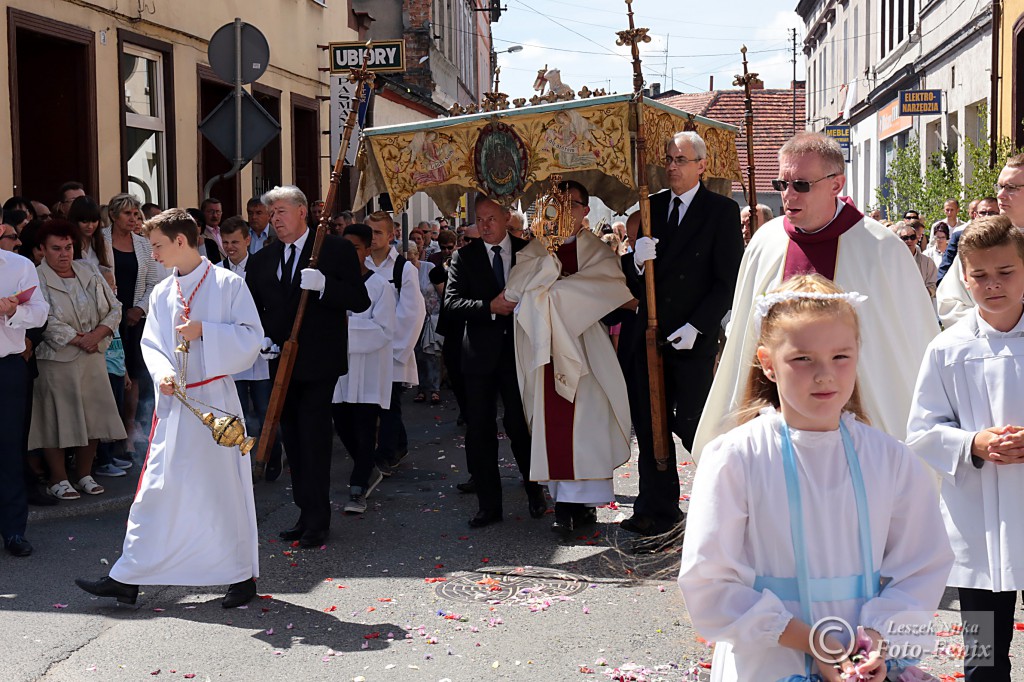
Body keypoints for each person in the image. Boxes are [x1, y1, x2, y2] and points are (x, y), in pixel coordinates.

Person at [679, 274, 953, 682]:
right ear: (769, 364)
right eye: (803, 359)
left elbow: (922, 565)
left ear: (858, 355)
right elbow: (710, 582)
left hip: (865, 664)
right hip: (769, 662)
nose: (825, 375)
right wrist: (812, 641)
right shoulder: (736, 458)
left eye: (840, 357)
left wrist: (875, 639)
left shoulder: (890, 459)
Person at [694, 131, 939, 458]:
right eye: (782, 185)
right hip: (775, 416)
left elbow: (913, 342)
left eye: (801, 185)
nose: (788, 196)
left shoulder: (881, 248)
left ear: (836, 184)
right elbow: (744, 338)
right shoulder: (765, 243)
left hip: (860, 426)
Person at [75, 208, 263, 608]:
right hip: (176, 405)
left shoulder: (228, 284)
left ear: (181, 242)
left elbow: (252, 339)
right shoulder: (162, 292)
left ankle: (240, 576)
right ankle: (129, 577)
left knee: (221, 490)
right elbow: (153, 344)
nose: (153, 253)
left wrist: (206, 333)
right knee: (156, 489)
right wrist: (161, 373)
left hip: (215, 404)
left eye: (157, 245)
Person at [907, 215, 1024, 681]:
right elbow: (921, 429)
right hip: (976, 531)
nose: (992, 285)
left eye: (1006, 272)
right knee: (982, 656)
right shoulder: (946, 348)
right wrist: (972, 442)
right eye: (979, 275)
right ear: (964, 277)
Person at [620, 130, 744, 542]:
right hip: (650, 333)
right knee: (650, 421)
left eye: (680, 159)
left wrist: (699, 327)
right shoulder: (650, 207)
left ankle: (725, 500)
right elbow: (638, 287)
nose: (671, 166)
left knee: (692, 421)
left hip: (692, 336)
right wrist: (636, 264)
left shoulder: (721, 211)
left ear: (701, 165)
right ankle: (656, 510)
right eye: (669, 159)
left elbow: (727, 280)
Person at [505, 180, 634, 537]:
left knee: (586, 427)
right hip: (546, 348)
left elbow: (610, 288)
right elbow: (519, 289)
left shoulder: (597, 250)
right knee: (554, 427)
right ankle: (563, 506)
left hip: (586, 349)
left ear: (585, 211)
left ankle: (585, 505)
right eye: (554, 203)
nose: (561, 210)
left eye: (570, 204)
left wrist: (556, 292)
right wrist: (549, 273)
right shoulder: (534, 248)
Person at [246, 186, 370, 548]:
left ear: (304, 212)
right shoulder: (262, 260)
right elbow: (255, 312)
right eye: (271, 214)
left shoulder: (334, 250)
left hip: (319, 361)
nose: (276, 220)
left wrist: (325, 285)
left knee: (314, 437)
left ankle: (318, 519)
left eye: (282, 211)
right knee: (294, 441)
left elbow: (359, 300)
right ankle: (304, 512)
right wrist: (262, 340)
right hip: (280, 364)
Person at [444, 193, 546, 527]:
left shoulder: (527, 252)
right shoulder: (464, 257)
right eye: (480, 220)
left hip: (519, 353)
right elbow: (452, 304)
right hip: (479, 358)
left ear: (506, 219)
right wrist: (488, 307)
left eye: (491, 219)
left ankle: (535, 493)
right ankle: (489, 505)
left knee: (521, 426)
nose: (485, 226)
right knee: (480, 431)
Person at [30, 220, 124, 499]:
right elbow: (43, 318)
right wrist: (77, 338)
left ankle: (84, 474)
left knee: (92, 418)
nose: (64, 254)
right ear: (41, 251)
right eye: (56, 248)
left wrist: (97, 335)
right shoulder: (35, 276)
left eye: (68, 247)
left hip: (93, 355)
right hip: (55, 360)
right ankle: (58, 478)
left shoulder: (89, 269)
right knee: (56, 420)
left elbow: (114, 307)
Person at [332, 223, 395, 514]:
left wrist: (345, 326)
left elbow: (382, 330)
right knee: (343, 425)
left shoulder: (380, 285)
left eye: (355, 247)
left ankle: (358, 487)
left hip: (368, 368)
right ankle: (368, 466)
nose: (349, 253)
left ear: (367, 250)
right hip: (339, 369)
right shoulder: (333, 283)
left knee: (365, 427)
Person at [218, 217, 283, 482]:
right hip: (231, 350)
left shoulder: (263, 267)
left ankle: (272, 454)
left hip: (258, 349)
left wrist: (269, 338)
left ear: (248, 240)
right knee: (238, 411)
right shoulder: (216, 270)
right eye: (226, 242)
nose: (230, 247)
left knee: (266, 408)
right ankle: (243, 463)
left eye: (235, 241)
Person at [365, 211, 425, 475]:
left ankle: (387, 453)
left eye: (378, 232)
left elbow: (411, 312)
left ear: (391, 235)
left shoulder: (403, 269)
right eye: (370, 232)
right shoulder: (359, 265)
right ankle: (398, 445)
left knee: (388, 404)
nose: (373, 237)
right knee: (371, 403)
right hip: (364, 348)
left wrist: (396, 349)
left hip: (391, 349)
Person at [106, 193, 164, 454]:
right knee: (112, 374)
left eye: (136, 214)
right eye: (127, 213)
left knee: (135, 373)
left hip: (135, 318)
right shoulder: (101, 241)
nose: (133, 218)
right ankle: (109, 432)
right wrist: (115, 310)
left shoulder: (143, 245)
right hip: (106, 316)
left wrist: (139, 308)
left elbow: (154, 282)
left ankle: (129, 429)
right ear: (113, 216)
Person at [0, 243, 49, 556]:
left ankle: (14, 531)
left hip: (6, 365)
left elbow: (41, 313)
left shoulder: (19, 266)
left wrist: (13, 310)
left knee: (8, 449)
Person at [409, 243, 443, 405]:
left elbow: (441, 291)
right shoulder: (403, 271)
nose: (409, 262)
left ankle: (435, 389)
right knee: (417, 355)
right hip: (414, 319)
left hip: (432, 317)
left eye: (412, 258)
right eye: (406, 259)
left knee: (432, 354)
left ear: (418, 254)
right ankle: (421, 388)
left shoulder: (429, 267)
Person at [938, 197, 1000, 284]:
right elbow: (945, 267)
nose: (987, 216)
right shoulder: (959, 237)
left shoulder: (1008, 238)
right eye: (982, 213)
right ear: (975, 215)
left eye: (992, 213)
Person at [68, 196, 116, 290]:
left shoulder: (103, 244)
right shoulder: (67, 245)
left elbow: (111, 277)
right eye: (85, 222)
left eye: (94, 221)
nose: (90, 226)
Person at [897, 223, 938, 298]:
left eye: (912, 237)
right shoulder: (893, 262)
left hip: (921, 304)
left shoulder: (927, 262)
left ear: (917, 239)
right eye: (905, 238)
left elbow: (933, 286)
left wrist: (921, 293)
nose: (909, 240)